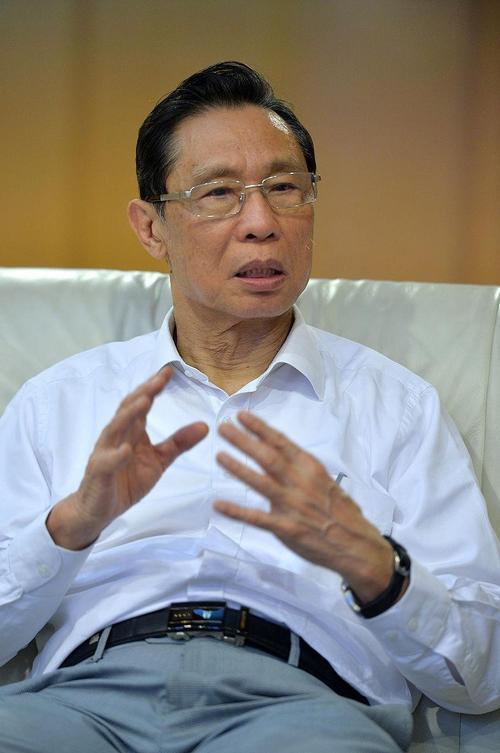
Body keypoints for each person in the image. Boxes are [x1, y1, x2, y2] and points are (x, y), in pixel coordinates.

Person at [0, 61, 499, 753]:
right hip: (81, 704)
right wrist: (72, 524)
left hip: (302, 708)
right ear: (151, 228)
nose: (262, 223)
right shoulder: (61, 399)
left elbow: (483, 678)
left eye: (285, 188)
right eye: (218, 193)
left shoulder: (398, 408)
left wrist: (375, 568)